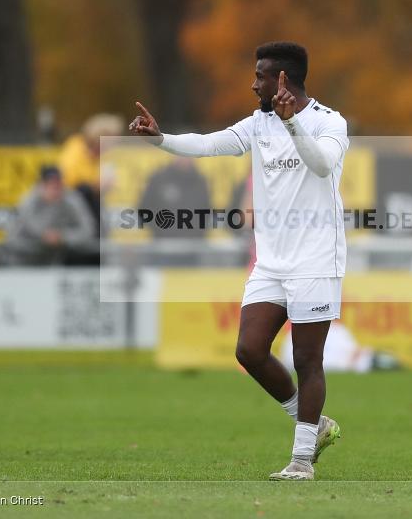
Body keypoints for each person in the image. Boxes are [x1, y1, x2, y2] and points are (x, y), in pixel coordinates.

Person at [130, 42, 345, 481]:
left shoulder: (329, 122)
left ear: (283, 79)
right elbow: (210, 145)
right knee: (248, 350)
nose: (253, 84)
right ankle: (313, 424)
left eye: (261, 76)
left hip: (316, 261)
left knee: (307, 360)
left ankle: (302, 460)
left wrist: (293, 127)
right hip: (271, 263)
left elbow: (323, 166)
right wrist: (161, 138)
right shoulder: (259, 123)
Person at [7, 166, 97, 265]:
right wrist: (45, 235)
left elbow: (88, 230)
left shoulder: (71, 200)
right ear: (41, 184)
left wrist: (63, 237)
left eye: (58, 183)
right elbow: (16, 235)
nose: (54, 188)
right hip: (22, 262)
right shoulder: (28, 202)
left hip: (55, 262)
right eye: (50, 184)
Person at [138, 157, 211, 265]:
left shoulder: (201, 181)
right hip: (162, 250)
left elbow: (206, 212)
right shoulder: (158, 179)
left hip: (192, 250)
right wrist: (162, 228)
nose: (185, 157)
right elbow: (144, 210)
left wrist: (196, 234)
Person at [58, 113, 123, 232]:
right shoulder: (75, 149)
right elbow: (70, 183)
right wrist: (96, 186)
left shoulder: (101, 157)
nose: (114, 145)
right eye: (113, 139)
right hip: (74, 212)